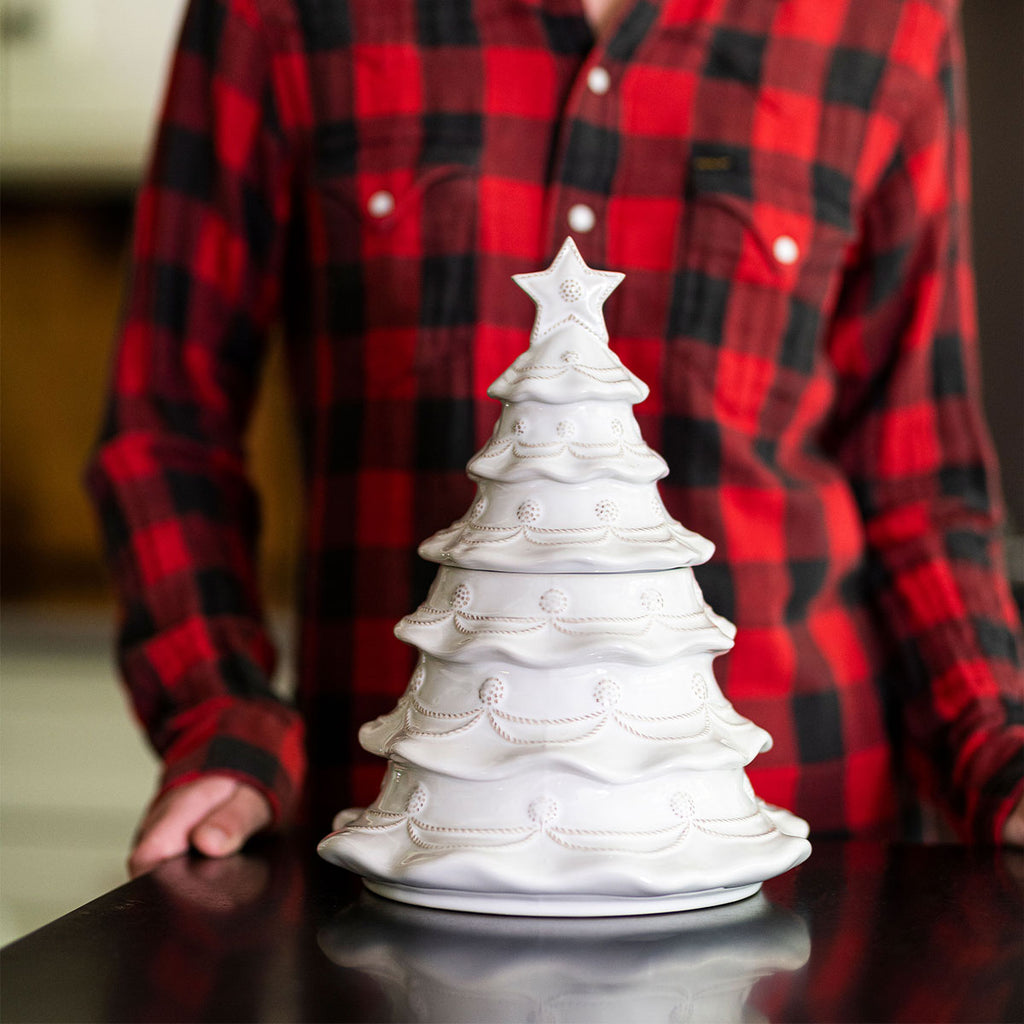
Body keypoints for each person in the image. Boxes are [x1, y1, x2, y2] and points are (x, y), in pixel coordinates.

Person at [86, 0, 1024, 877]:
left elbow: (918, 480)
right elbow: (167, 425)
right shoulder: (279, 14)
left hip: (811, 855)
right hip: (408, 850)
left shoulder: (888, 20)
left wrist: (998, 751)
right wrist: (223, 718)